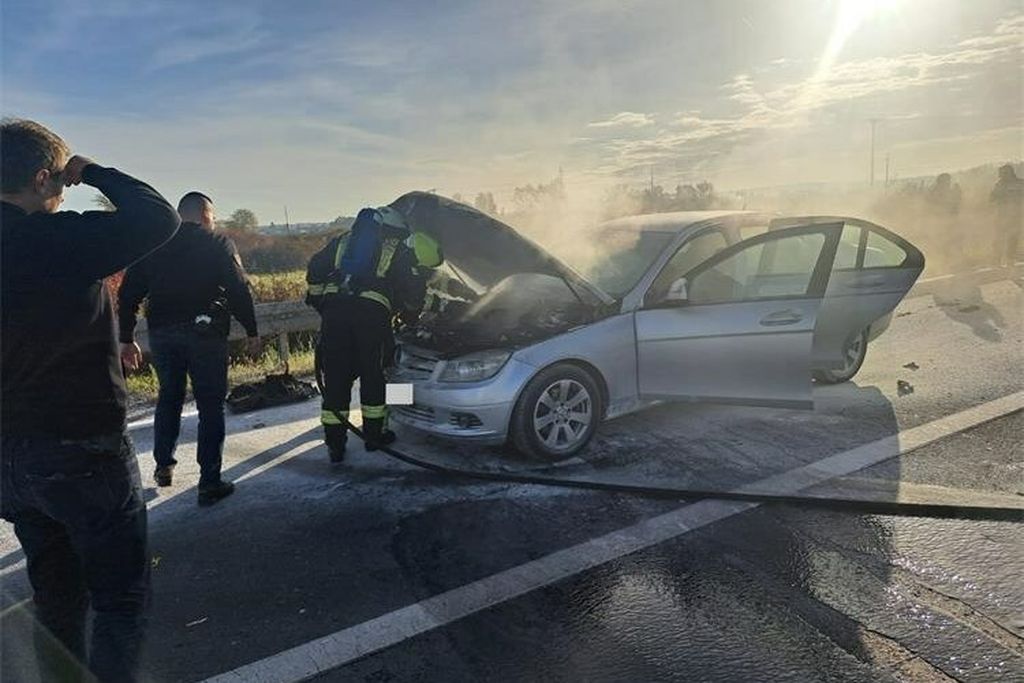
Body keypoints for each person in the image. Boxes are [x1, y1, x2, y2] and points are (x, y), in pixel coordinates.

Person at [1, 119, 180, 682]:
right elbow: (157, 217)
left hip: (7, 459)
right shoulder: (53, 238)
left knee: (56, 596)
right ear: (40, 177)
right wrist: (91, 172)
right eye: (57, 179)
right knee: (120, 601)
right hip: (79, 448)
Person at [118, 192, 260, 504]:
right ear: (205, 214)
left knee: (169, 396)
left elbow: (128, 295)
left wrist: (126, 338)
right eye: (213, 215)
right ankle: (209, 481)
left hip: (163, 333)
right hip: (205, 333)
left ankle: (163, 464)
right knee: (211, 405)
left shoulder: (153, 244)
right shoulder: (218, 243)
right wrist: (251, 329)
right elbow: (238, 288)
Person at [306, 206, 443, 462]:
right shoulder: (398, 249)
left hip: (335, 317)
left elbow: (315, 268)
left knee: (336, 380)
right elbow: (412, 294)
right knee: (376, 377)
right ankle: (375, 437)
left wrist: (320, 300)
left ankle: (335, 444)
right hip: (371, 319)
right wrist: (418, 311)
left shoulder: (344, 242)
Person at [989, 163, 1023, 266]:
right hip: (1005, 216)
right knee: (1004, 238)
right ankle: (1000, 260)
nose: (1001, 176)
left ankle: (1006, 260)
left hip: (1011, 215)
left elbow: (991, 198)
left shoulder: (1017, 183)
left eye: (1003, 173)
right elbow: (992, 198)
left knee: (1009, 238)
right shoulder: (1000, 184)